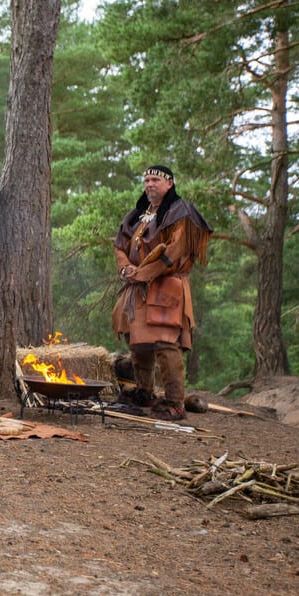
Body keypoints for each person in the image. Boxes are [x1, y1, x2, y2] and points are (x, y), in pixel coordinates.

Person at [112, 165, 212, 420]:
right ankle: (145, 392)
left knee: (166, 343)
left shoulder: (182, 212)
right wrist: (126, 270)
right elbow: (120, 246)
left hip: (167, 285)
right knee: (139, 342)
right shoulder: (137, 215)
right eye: (146, 180)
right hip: (138, 288)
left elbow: (177, 249)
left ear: (169, 183)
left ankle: (174, 401)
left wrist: (145, 272)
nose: (149, 184)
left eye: (155, 179)